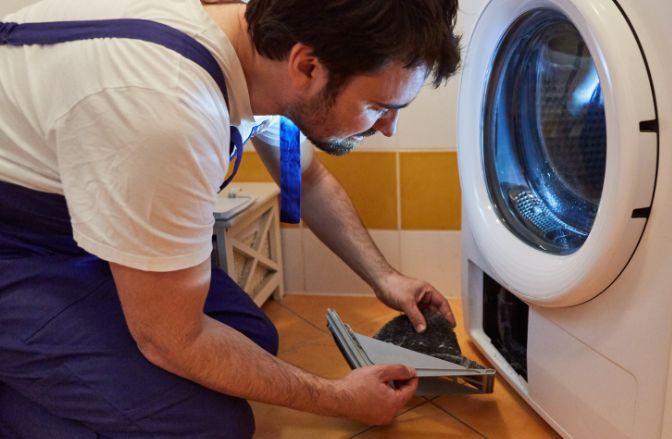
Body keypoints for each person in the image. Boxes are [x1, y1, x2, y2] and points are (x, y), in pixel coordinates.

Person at [0, 0, 461, 437]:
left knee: (250, 338)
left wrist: (386, 277)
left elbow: (309, 180)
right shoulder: (169, 109)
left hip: (71, 225)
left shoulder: (266, 48)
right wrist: (340, 398)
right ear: (308, 68)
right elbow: (170, 340)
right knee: (207, 424)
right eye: (380, 107)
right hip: (15, 243)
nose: (388, 128)